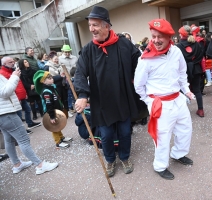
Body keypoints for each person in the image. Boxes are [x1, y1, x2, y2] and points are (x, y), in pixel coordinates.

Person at [73, 6, 141, 177]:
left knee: (125, 132)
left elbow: (140, 66)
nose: (91, 29)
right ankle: (110, 160)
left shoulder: (124, 44)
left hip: (122, 99)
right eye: (90, 25)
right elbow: (80, 72)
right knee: (106, 135)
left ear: (107, 26)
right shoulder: (88, 49)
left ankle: (124, 157)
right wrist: (82, 95)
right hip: (101, 103)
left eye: (95, 25)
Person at [134, 19, 194, 180]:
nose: (155, 40)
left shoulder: (176, 52)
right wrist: (149, 101)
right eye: (153, 36)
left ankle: (178, 154)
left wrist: (186, 91)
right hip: (159, 103)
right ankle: (160, 166)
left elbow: (182, 73)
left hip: (178, 99)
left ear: (169, 37)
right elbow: (138, 85)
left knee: (185, 129)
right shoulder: (145, 59)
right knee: (162, 137)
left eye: (160, 36)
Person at [0, 71, 58, 175]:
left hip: (3, 114)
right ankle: (40, 165)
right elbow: (5, 92)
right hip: (6, 113)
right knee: (23, 139)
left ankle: (17, 164)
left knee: (8, 139)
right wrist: (14, 77)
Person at [33, 70, 73, 149]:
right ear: (43, 81)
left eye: (51, 77)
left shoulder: (52, 87)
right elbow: (49, 105)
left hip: (56, 110)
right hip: (50, 112)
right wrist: (51, 116)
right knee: (54, 126)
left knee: (58, 124)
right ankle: (58, 142)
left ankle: (61, 137)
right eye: (49, 78)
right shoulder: (46, 91)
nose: (52, 79)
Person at [0, 57, 41, 130]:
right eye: (10, 62)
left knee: (27, 110)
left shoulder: (14, 70)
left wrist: (24, 93)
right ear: (4, 64)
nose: (13, 63)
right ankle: (21, 129)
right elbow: (8, 88)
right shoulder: (2, 73)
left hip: (21, 94)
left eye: (13, 61)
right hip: (15, 97)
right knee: (18, 114)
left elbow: (19, 83)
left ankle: (30, 123)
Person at [177, 25, 205, 117]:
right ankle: (201, 110)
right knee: (197, 90)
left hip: (183, 71)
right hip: (196, 69)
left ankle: (183, 111)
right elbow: (201, 56)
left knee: (182, 90)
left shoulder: (178, 46)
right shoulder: (196, 44)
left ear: (181, 35)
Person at [44, 52, 71, 117]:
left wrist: (64, 76)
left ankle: (66, 112)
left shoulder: (61, 65)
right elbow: (47, 78)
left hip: (63, 85)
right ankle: (59, 113)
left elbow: (64, 74)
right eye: (55, 59)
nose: (57, 61)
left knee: (65, 99)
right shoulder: (47, 67)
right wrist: (59, 76)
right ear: (50, 59)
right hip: (55, 86)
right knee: (58, 100)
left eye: (57, 59)